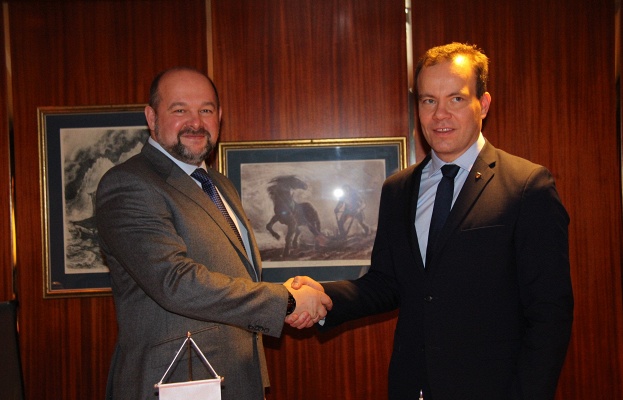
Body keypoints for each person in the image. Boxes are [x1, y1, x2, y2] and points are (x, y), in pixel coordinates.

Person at [292, 43, 574, 399]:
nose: (440, 114)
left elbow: (550, 313)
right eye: (429, 100)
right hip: (413, 387)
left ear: (484, 104)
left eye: (456, 99)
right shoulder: (398, 189)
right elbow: (386, 283)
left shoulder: (526, 186)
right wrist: (324, 295)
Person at [96, 67, 331, 400]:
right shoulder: (129, 184)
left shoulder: (219, 185)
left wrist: (290, 293)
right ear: (152, 117)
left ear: (219, 117)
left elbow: (234, 277)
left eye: (205, 110)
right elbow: (174, 282)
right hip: (175, 382)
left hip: (234, 381)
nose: (196, 122)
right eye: (180, 110)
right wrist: (285, 301)